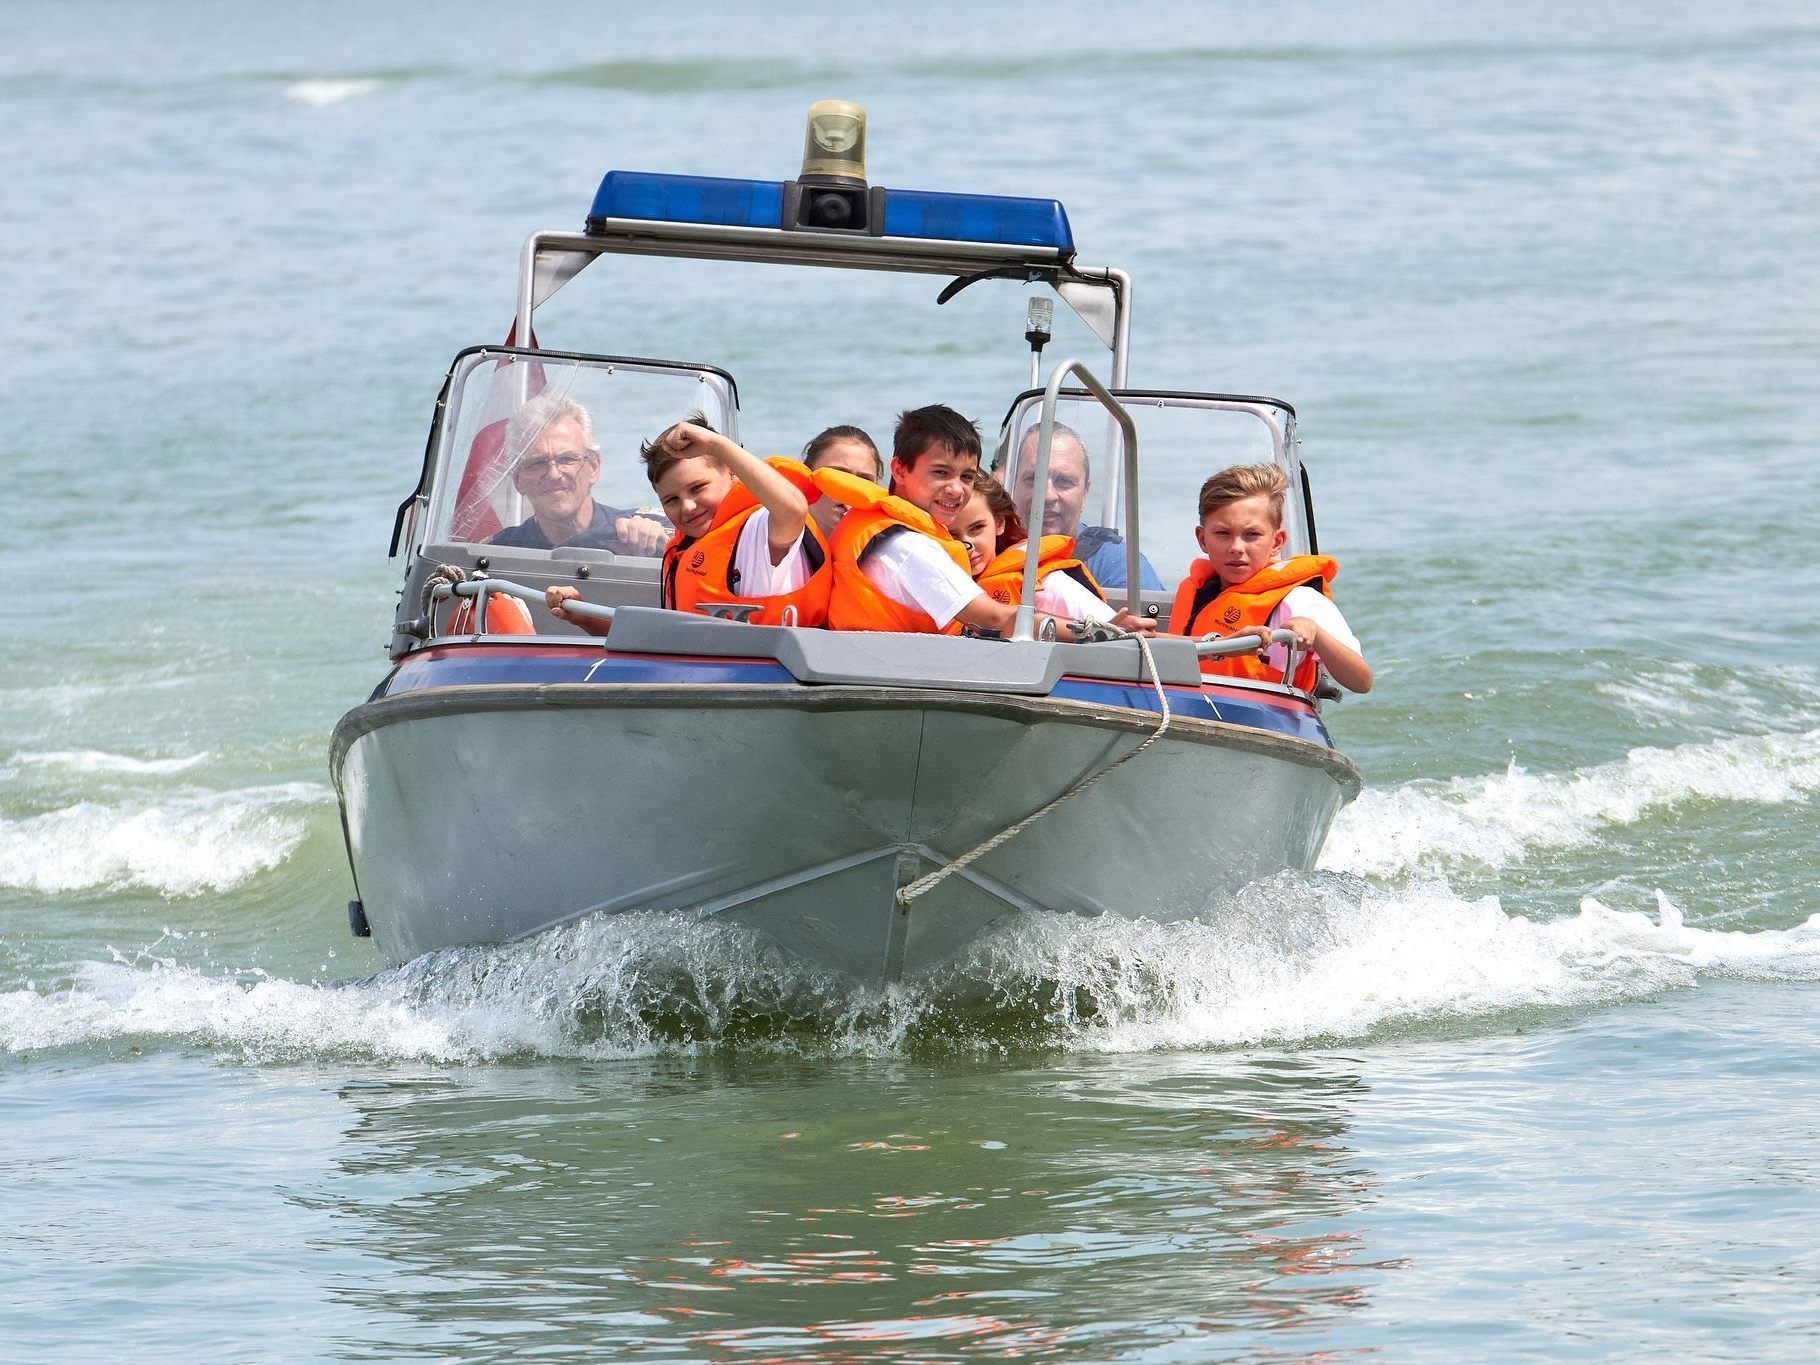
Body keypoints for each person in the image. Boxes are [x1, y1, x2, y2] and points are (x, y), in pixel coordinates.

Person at [811, 404, 1138, 641]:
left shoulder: (876, 528)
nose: (955, 489)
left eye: (966, 476)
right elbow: (998, 617)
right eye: (940, 472)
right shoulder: (908, 546)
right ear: (899, 470)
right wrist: (1102, 633)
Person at [548, 414, 826, 633]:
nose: (688, 507)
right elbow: (665, 643)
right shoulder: (684, 551)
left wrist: (715, 445)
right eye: (671, 500)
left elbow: (793, 509)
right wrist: (585, 617)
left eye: (698, 488)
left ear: (731, 473)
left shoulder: (760, 531)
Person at [1167, 463, 1371, 693]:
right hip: (1185, 708)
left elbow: (1361, 682)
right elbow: (1162, 658)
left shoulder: (1300, 602)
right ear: (1203, 539)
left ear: (1277, 542)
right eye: (1223, 533)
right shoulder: (1198, 590)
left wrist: (1316, 634)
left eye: (1251, 535)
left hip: (1261, 718)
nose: (1236, 547)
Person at [946, 475, 1151, 635]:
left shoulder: (1045, 585)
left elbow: (1120, 631)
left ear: (999, 523)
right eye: (952, 535)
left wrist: (1114, 630)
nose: (967, 545)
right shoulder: (938, 584)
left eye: (977, 528)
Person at [488, 392, 667, 556]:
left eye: (566, 459)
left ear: (594, 467)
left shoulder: (642, 536)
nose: (553, 474)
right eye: (538, 463)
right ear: (518, 480)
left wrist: (660, 546)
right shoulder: (497, 553)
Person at [1011, 422, 1163, 591]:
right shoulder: (987, 549)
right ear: (1013, 484)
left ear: (1084, 493)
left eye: (1063, 482)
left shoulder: (1120, 566)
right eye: (1033, 479)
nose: (1047, 496)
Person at [800, 425, 883, 540]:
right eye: (839, 476)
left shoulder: (888, 551)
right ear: (806, 475)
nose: (851, 489)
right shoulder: (771, 534)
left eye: (864, 481)